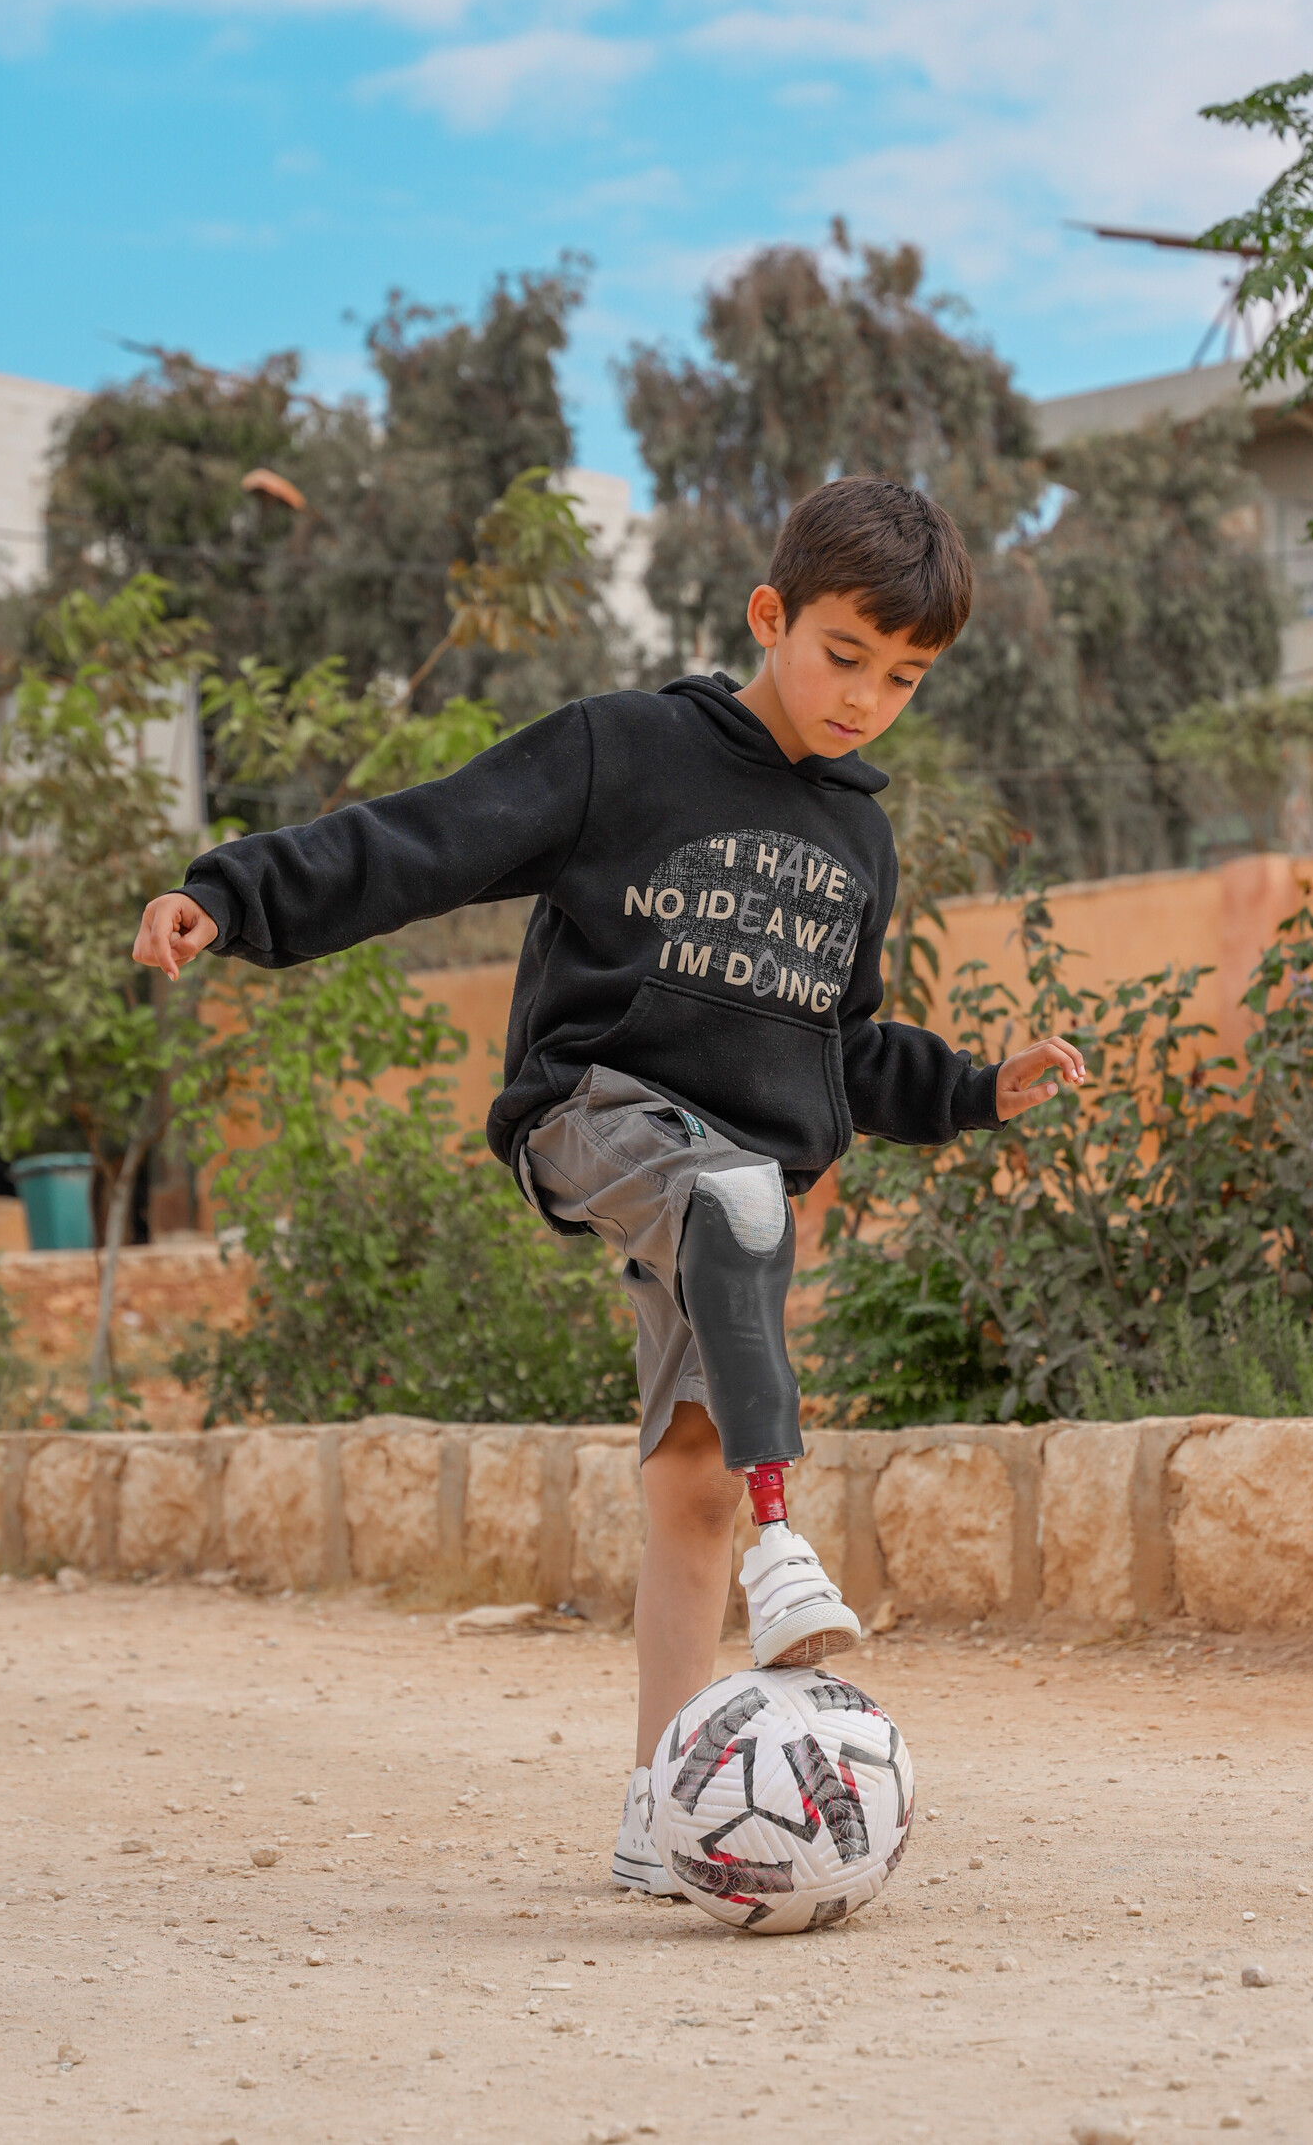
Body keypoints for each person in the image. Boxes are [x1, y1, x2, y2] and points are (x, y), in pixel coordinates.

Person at [132, 476, 1086, 1898]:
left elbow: (839, 1044)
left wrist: (968, 1088)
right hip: (594, 1115)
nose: (867, 701)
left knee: (685, 1473)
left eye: (904, 678)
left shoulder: (858, 841)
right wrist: (240, 894)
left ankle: (667, 1807)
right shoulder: (623, 753)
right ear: (770, 617)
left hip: (733, 1192)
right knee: (733, 1203)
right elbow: (428, 836)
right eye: (843, 657)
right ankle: (788, 1543)